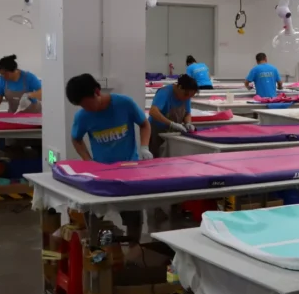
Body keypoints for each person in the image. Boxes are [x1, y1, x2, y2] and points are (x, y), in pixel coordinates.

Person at [66, 74, 152, 244]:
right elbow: (76, 138)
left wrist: (144, 147)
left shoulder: (124, 104)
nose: (85, 108)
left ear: (97, 92)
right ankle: (95, 249)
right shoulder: (83, 116)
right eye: (81, 106)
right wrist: (87, 160)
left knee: (133, 215)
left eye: (86, 103)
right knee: (93, 214)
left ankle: (134, 250)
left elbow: (144, 124)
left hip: (128, 170)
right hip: (101, 173)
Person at [148, 74, 199, 157]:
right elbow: (153, 112)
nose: (187, 98)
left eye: (190, 96)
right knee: (156, 157)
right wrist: (172, 124)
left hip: (172, 133)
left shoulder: (187, 95)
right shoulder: (164, 92)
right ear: (179, 87)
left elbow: (187, 113)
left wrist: (188, 123)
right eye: (186, 95)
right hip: (156, 131)